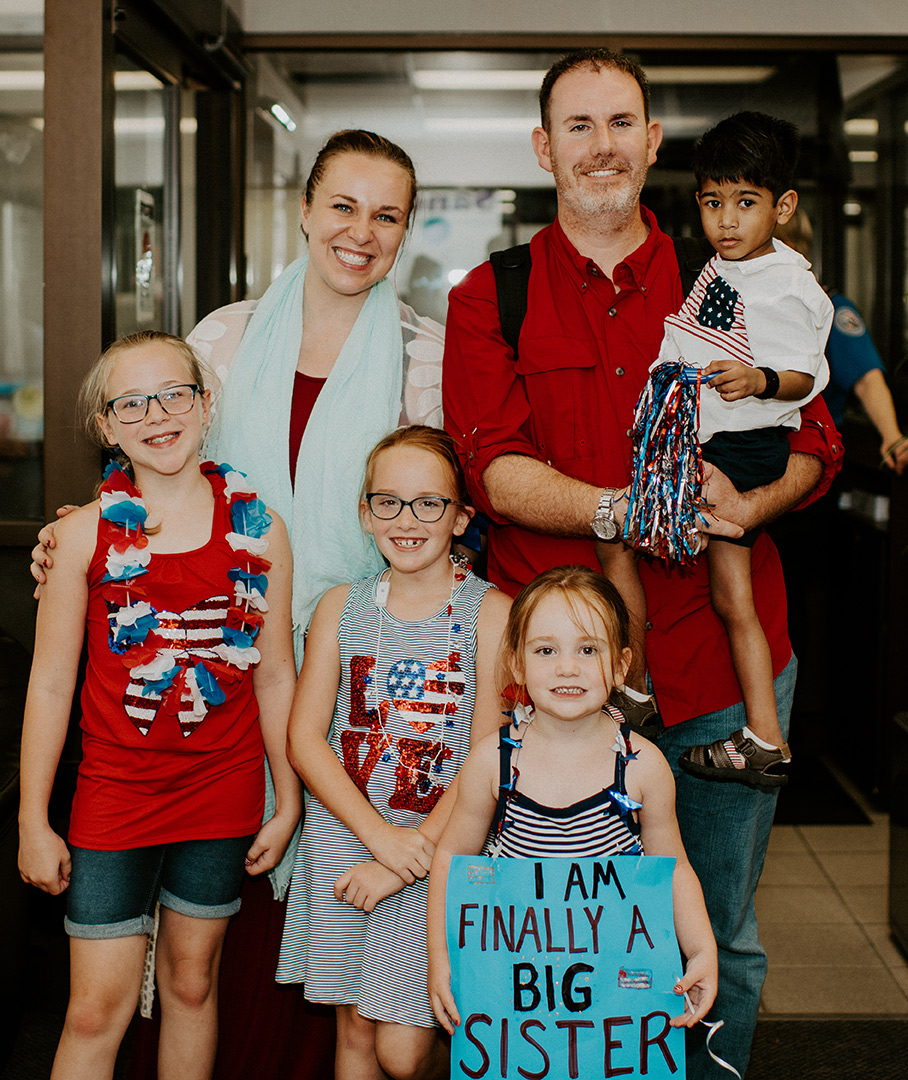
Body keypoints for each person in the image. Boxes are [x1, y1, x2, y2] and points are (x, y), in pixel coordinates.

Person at [441, 48, 842, 1078]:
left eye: (621, 122)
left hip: (716, 666)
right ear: (543, 147)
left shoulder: (730, 274)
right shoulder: (491, 295)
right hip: (563, 684)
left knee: (717, 939)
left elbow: (816, 443)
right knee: (551, 940)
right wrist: (630, 507)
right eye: (577, 125)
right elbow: (491, 471)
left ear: (653, 141)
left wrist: (746, 501)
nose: (601, 145)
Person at [30, 130, 445, 1080]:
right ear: (303, 210)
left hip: (358, 667)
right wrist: (79, 529)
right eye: (343, 205)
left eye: (387, 215)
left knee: (322, 927)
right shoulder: (224, 334)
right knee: (200, 957)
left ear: (405, 233)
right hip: (212, 665)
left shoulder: (427, 357)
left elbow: (432, 500)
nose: (361, 231)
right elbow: (156, 451)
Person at [17, 331, 299, 1080]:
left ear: (206, 405)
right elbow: (49, 683)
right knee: (93, 1010)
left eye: (174, 393)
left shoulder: (262, 529)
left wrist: (289, 800)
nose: (157, 415)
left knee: (190, 984)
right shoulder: (81, 536)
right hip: (116, 794)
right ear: (107, 427)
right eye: (131, 403)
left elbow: (275, 678)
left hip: (223, 790)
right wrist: (32, 820)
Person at [602, 112, 832, 787]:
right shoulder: (728, 267)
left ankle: (743, 727)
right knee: (672, 564)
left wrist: (760, 379)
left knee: (647, 550)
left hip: (741, 449)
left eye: (746, 202)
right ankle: (751, 730)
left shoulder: (787, 283)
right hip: (708, 439)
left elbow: (806, 375)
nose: (726, 219)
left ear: (783, 207)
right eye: (712, 202)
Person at [276, 426, 511, 1080]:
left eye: (429, 504)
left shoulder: (493, 614)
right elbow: (304, 739)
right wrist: (377, 837)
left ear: (462, 518)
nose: (407, 521)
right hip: (349, 837)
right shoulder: (337, 609)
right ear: (364, 512)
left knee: (403, 1054)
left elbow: (488, 752)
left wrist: (413, 852)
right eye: (389, 502)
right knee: (353, 1030)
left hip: (438, 847)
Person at [426, 566, 717, 1035]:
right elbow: (449, 860)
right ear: (517, 664)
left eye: (588, 650)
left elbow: (674, 868)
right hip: (515, 992)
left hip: (614, 993)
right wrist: (440, 959)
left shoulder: (643, 766)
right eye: (546, 650)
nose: (567, 667)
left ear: (622, 665)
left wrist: (702, 949)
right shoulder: (493, 763)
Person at [775, 207, 908, 474]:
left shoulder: (828, 308)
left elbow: (867, 379)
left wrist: (892, 436)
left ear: (786, 249)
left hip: (805, 456)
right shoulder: (740, 306)